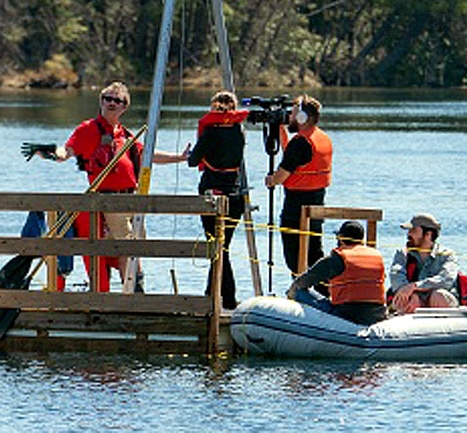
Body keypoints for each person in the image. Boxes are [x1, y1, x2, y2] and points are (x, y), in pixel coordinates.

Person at [25, 81, 188, 291]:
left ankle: (129, 294)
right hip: (109, 199)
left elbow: (148, 155)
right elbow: (66, 153)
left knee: (131, 247)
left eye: (117, 100)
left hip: (132, 199)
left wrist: (180, 157)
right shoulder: (88, 129)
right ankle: (135, 294)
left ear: (124, 107)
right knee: (130, 246)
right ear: (101, 102)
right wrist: (47, 151)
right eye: (107, 99)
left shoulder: (126, 135)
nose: (111, 103)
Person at [187, 90, 249, 309]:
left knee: (218, 248)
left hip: (211, 196)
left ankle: (228, 299)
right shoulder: (239, 131)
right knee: (223, 247)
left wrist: (194, 152)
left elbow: (193, 162)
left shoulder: (211, 132)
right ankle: (212, 294)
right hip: (235, 196)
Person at [263, 95, 333, 286]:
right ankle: (323, 293)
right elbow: (294, 157)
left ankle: (304, 294)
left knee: (294, 258)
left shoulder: (300, 143)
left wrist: (271, 180)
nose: (289, 118)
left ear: (302, 118)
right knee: (314, 255)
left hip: (296, 207)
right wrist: (280, 130)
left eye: (292, 114)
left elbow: (282, 174)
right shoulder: (320, 138)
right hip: (317, 205)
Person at [285, 220, 387, 325]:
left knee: (299, 292)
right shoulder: (376, 256)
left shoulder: (337, 258)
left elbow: (303, 281)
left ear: (341, 239)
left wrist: (290, 294)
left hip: (347, 316)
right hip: (377, 316)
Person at [387, 212, 460, 314]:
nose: (408, 234)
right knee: (404, 298)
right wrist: (414, 294)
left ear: (428, 234)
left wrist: (414, 287)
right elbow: (396, 277)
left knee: (438, 296)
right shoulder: (402, 253)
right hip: (414, 299)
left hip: (438, 298)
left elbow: (446, 280)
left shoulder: (447, 255)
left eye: (413, 230)